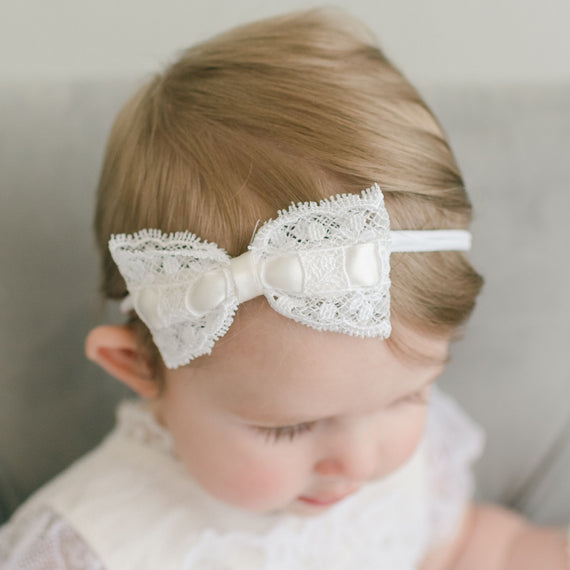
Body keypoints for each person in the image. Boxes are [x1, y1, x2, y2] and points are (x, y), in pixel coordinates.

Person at [0, 6, 568, 569]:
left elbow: (464, 544)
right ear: (140, 366)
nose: (359, 461)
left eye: (407, 397)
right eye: (289, 428)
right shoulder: (89, 547)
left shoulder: (407, 453)